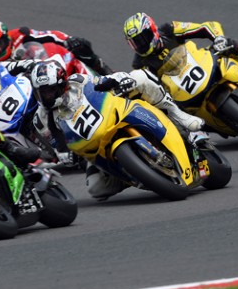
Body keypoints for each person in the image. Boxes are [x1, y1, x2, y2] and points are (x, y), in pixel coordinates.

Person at [28, 60, 204, 199]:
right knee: (96, 189)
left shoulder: (78, 81)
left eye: (50, 91)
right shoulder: (41, 119)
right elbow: (55, 145)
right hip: (93, 149)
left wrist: (120, 79)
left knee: (140, 77)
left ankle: (177, 115)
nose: (46, 96)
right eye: (41, 92)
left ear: (61, 84)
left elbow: (102, 80)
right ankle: (135, 173)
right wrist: (64, 156)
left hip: (112, 114)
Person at [123, 12, 238, 76]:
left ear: (152, 30)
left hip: (199, 64)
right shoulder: (139, 64)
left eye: (143, 38)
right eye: (135, 42)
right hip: (179, 93)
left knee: (231, 45)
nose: (141, 44)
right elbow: (148, 87)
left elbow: (206, 27)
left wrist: (219, 39)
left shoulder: (169, 29)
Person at [0, 18, 113, 75]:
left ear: (6, 36)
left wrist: (67, 40)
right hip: (27, 82)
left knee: (82, 47)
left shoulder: (20, 34)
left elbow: (48, 35)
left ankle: (105, 72)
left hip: (42, 62)